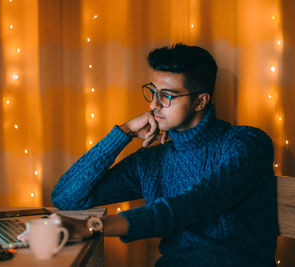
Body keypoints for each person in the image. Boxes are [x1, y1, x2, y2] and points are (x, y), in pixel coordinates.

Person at [51, 43, 278, 266]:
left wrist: (94, 225)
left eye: (166, 95)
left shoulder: (247, 144)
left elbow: (194, 204)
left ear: (200, 101)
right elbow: (66, 197)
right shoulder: (152, 161)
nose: (154, 104)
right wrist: (124, 132)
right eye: (153, 92)